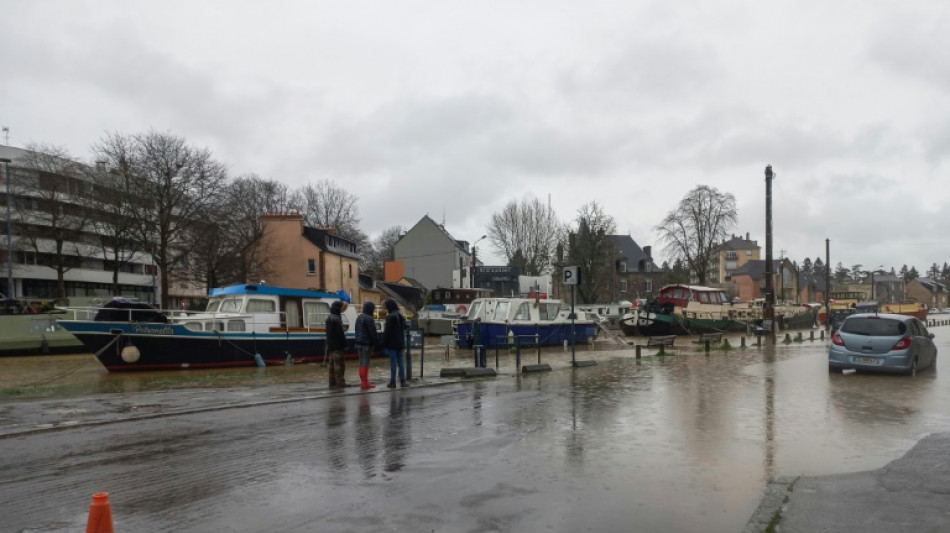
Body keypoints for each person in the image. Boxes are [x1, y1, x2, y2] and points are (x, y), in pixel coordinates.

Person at [381, 299, 407, 388]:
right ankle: (403, 381)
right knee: (401, 362)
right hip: (400, 343)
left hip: (392, 344)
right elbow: (405, 327)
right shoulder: (400, 316)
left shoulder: (390, 317)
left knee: (393, 363)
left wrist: (383, 343)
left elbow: (387, 332)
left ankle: (393, 382)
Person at [354, 301, 379, 390]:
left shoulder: (359, 317)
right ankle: (365, 383)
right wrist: (375, 343)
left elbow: (356, 330)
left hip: (358, 343)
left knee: (361, 363)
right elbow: (372, 332)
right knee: (365, 363)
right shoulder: (369, 318)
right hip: (366, 344)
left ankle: (363, 382)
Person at [325, 300, 348, 388]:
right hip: (338, 346)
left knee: (331, 365)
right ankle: (340, 383)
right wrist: (345, 344)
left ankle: (332, 382)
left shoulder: (329, 318)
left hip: (330, 346)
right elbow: (340, 334)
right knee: (339, 365)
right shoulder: (337, 319)